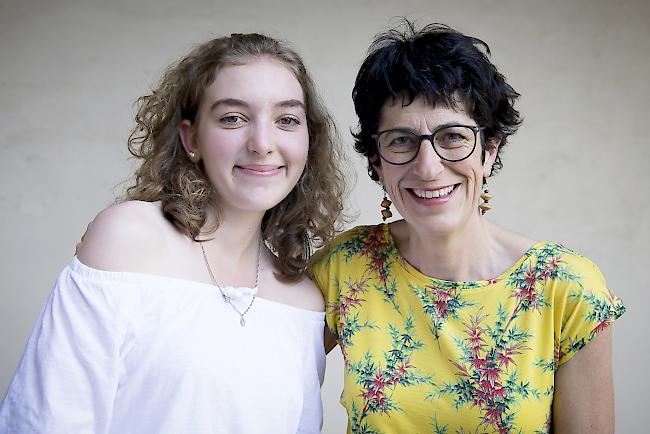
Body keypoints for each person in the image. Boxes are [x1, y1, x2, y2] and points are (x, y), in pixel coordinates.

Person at [0, 32, 345, 433]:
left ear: (308, 140)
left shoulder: (303, 301)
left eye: (287, 119)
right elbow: (48, 419)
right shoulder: (128, 240)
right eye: (233, 118)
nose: (263, 143)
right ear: (191, 138)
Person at [311, 21, 625, 433]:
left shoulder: (566, 286)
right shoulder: (344, 267)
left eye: (453, 136)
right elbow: (257, 378)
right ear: (376, 160)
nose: (428, 167)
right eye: (401, 141)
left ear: (489, 150)